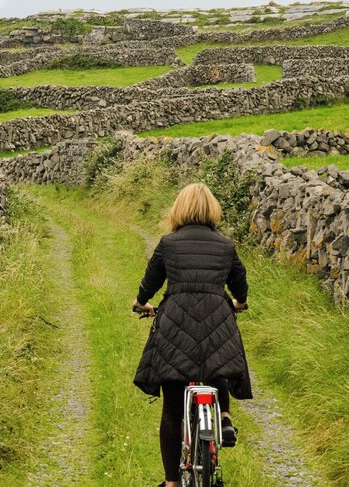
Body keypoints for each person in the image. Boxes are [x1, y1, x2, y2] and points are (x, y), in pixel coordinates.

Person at [131, 183, 251, 487]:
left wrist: (141, 304)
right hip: (217, 319)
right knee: (216, 361)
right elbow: (240, 287)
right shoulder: (225, 245)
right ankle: (223, 418)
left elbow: (149, 284)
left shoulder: (168, 244)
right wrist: (238, 303)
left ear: (178, 209)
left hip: (175, 323)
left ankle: (172, 483)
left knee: (172, 407)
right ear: (213, 209)